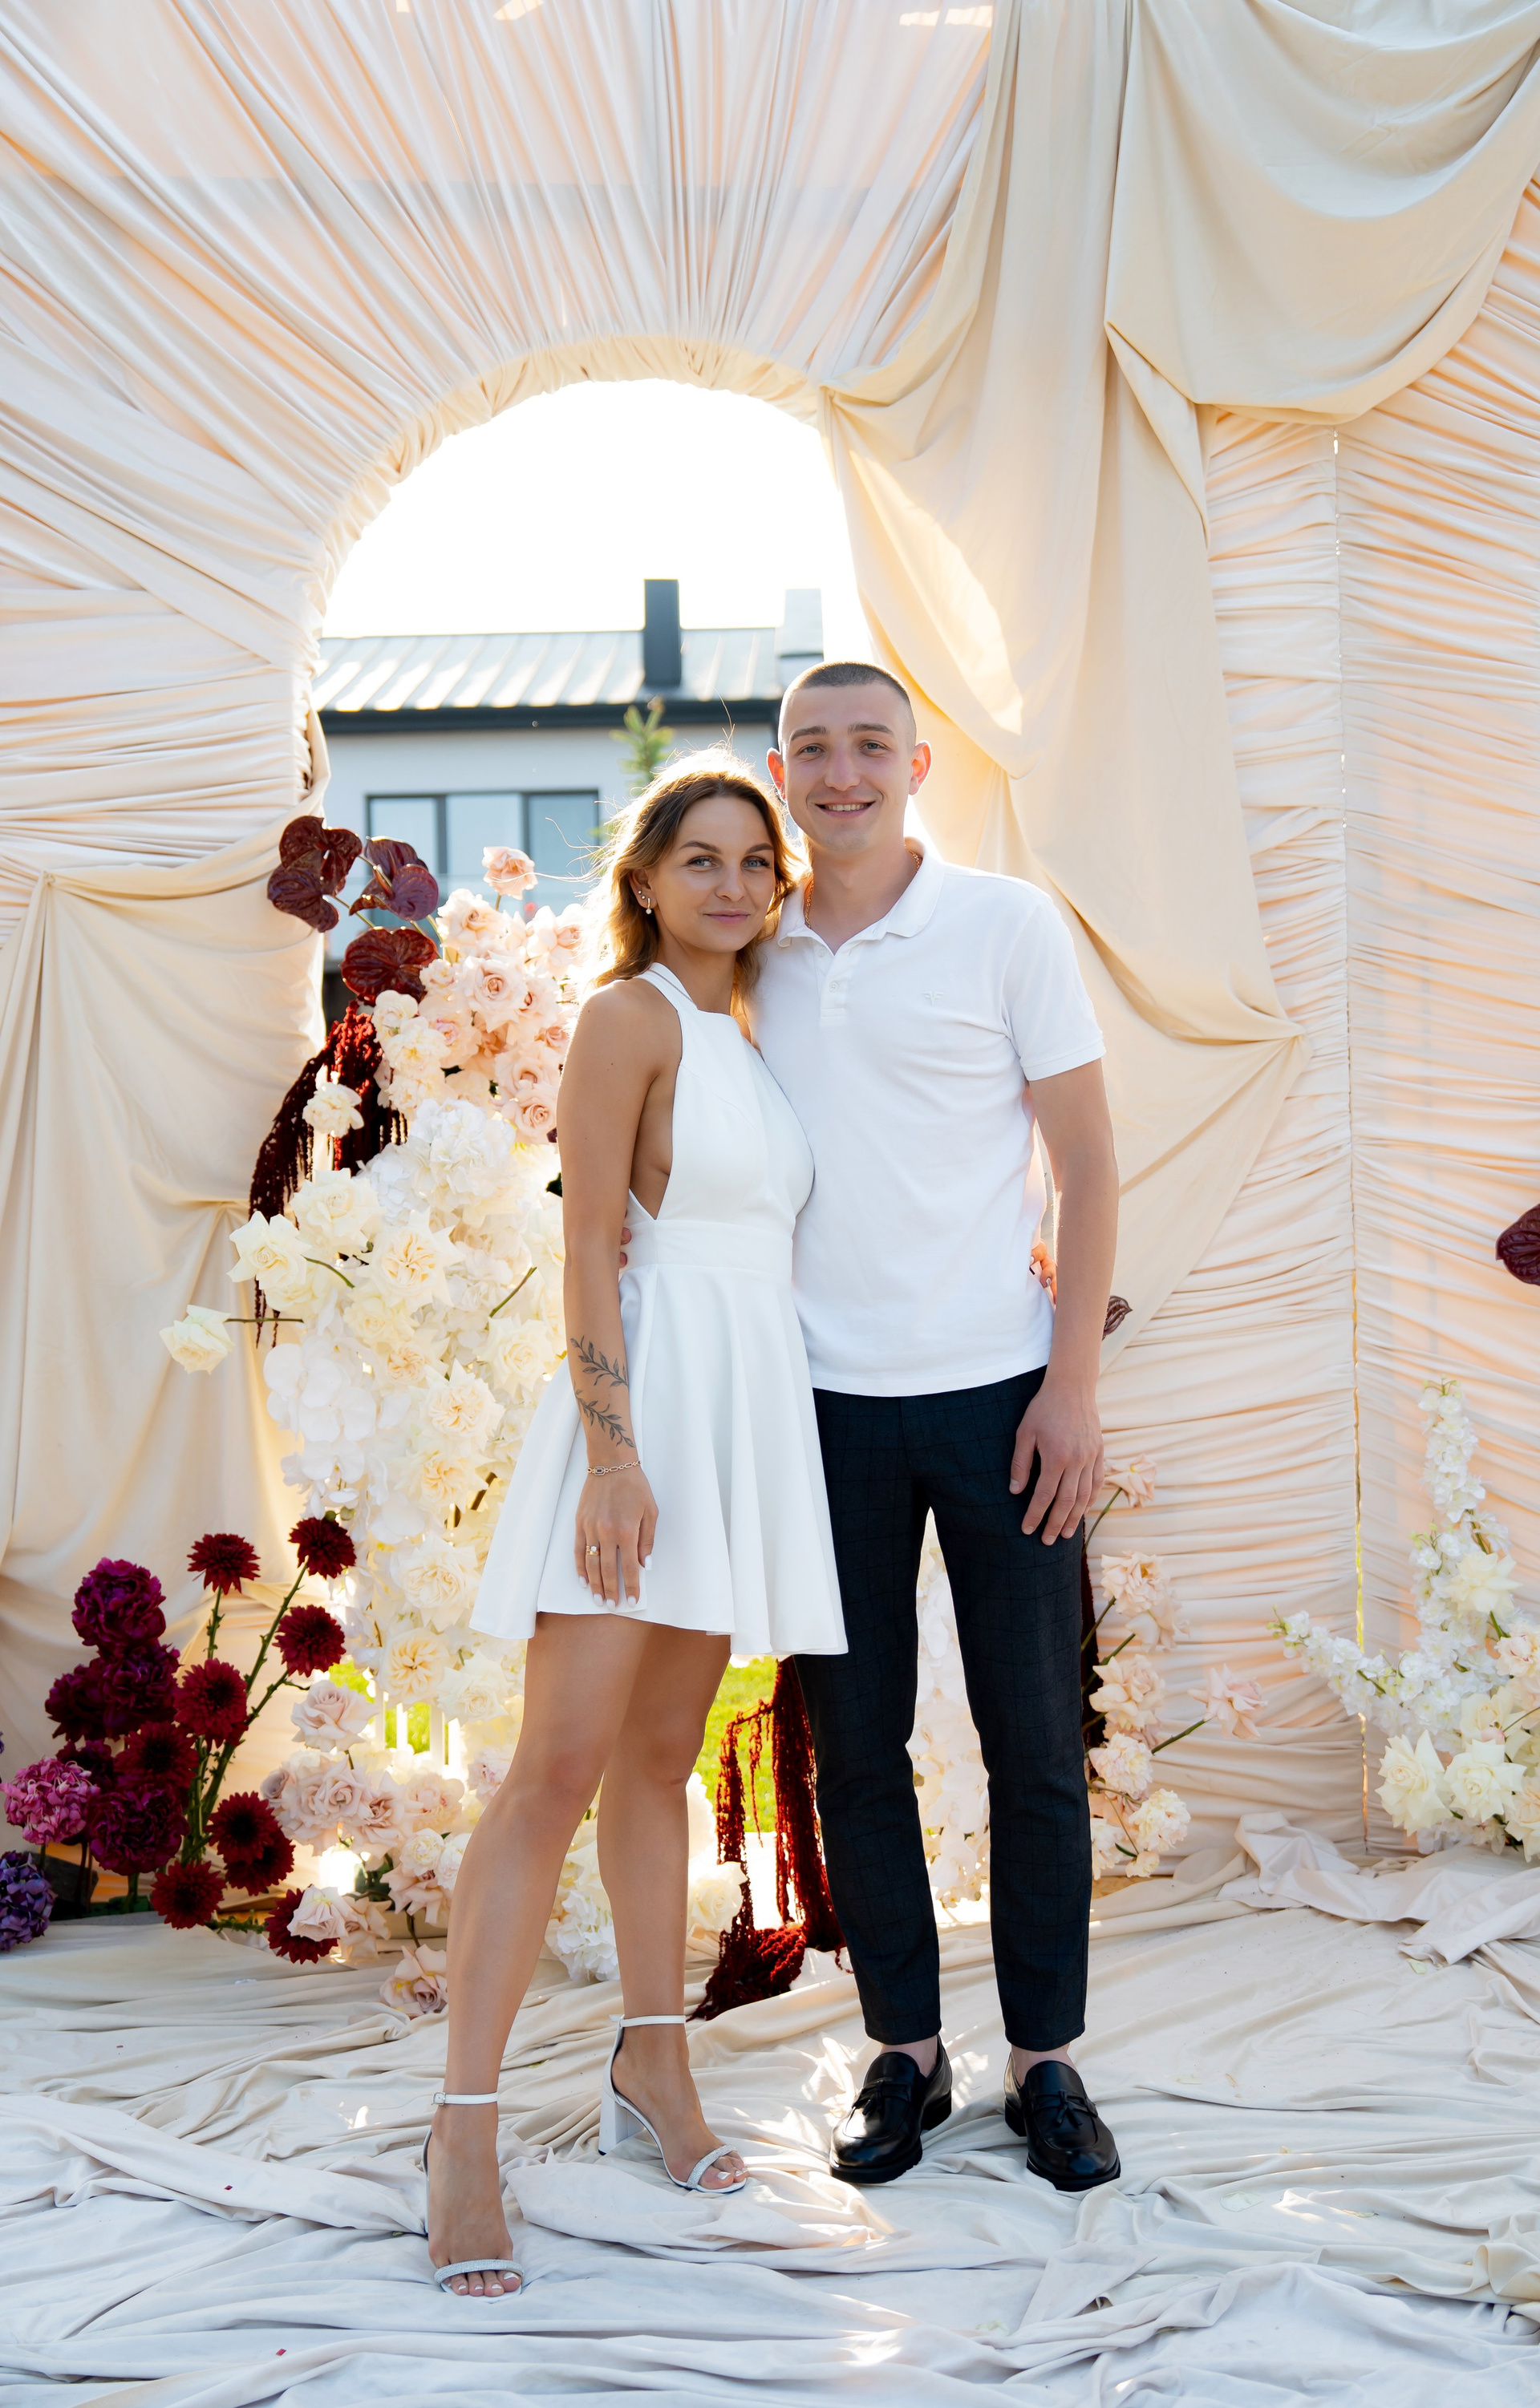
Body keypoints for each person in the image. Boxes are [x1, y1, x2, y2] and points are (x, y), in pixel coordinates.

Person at [425, 757, 846, 2297]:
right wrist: (614, 1458)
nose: (734, 884)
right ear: (648, 880)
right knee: (555, 1768)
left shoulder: (762, 1032)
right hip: (645, 1413)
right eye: (701, 858)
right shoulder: (632, 1017)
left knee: (662, 1762)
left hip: (742, 1417)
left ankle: (653, 2067)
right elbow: (591, 1244)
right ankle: (462, 2131)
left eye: (757, 861)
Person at [751, 660, 1123, 2192]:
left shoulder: (1004, 925)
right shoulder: (748, 945)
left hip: (998, 1396)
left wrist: (1071, 1386)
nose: (840, 772)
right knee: (856, 1749)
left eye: (869, 745)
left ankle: (1046, 2063)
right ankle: (904, 2053)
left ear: (916, 765)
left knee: (1036, 1743)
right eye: (812, 748)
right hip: (817, 1409)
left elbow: (1087, 1164)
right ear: (782, 769)